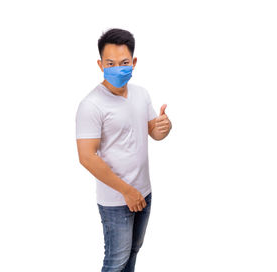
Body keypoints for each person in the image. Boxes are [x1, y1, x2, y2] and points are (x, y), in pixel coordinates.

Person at [75, 28, 172, 272]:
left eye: (124, 62)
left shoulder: (141, 94)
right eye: (111, 63)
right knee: (116, 262)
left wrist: (165, 127)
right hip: (117, 200)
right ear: (100, 64)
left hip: (144, 193)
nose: (118, 68)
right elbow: (86, 157)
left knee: (133, 253)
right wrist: (127, 192)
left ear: (134, 62)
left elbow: (154, 132)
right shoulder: (91, 105)